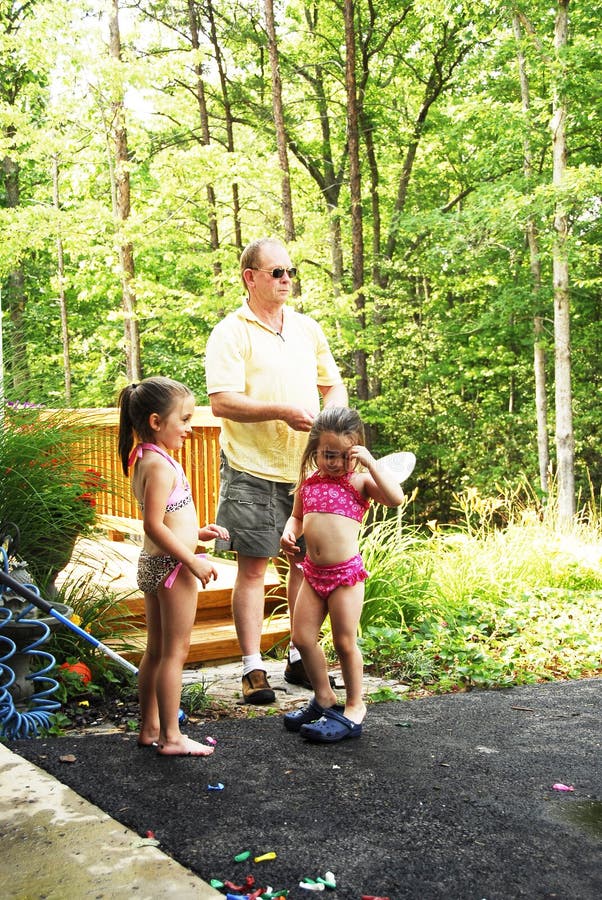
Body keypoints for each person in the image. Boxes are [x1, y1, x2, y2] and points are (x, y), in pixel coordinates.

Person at [204, 237, 348, 704]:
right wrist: (282, 412)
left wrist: (333, 426)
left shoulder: (307, 328)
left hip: (307, 472)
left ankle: (297, 656)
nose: (287, 280)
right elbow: (222, 402)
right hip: (252, 467)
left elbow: (334, 385)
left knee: (304, 566)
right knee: (252, 570)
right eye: (277, 272)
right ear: (250, 277)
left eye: (290, 272)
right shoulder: (231, 332)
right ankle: (251, 668)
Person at [118, 376, 229, 756]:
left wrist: (198, 533)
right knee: (174, 654)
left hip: (155, 562)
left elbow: (167, 519)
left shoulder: (145, 458)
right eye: (183, 419)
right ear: (155, 421)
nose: (189, 427)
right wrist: (192, 561)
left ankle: (150, 728)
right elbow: (154, 525)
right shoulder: (161, 466)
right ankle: (172, 736)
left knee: (155, 651)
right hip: (172, 568)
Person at [280, 407, 404, 742]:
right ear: (314, 451)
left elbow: (396, 498)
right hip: (313, 573)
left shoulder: (360, 482)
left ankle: (354, 706)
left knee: (344, 641)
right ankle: (324, 698)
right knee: (302, 638)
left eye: (343, 455)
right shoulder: (309, 484)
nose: (334, 462)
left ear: (357, 452)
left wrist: (371, 463)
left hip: (345, 577)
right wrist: (289, 532)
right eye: (327, 454)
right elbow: (296, 518)